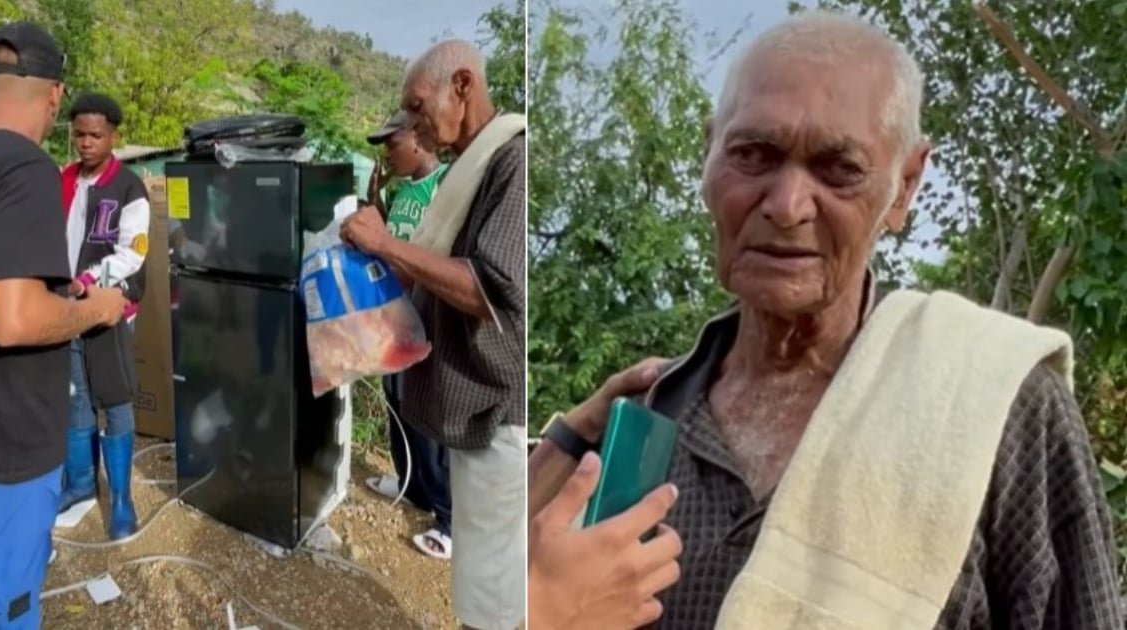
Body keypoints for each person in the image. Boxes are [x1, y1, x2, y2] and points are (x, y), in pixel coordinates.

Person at [526, 13, 1123, 630]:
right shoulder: (654, 413)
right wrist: (570, 439)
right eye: (753, 155)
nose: (786, 207)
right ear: (708, 156)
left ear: (904, 186)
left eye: (839, 169)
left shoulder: (995, 411)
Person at [0, 22, 129, 629]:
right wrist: (96, 308)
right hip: (5, 451)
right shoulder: (29, 169)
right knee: (1, 608)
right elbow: (13, 321)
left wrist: (48, 289)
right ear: (55, 97)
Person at [340, 40, 526, 630]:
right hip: (467, 413)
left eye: (418, 106)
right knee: (477, 579)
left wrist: (385, 245)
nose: (414, 123)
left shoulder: (512, 162)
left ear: (463, 86)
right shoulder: (469, 167)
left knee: (493, 598)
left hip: (496, 415)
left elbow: (492, 294)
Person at [56, 92, 151, 542]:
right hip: (65, 307)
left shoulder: (129, 186)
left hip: (108, 307)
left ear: (114, 136)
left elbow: (132, 253)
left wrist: (86, 282)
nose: (86, 143)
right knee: (74, 399)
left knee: (113, 401)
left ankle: (122, 500)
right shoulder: (64, 179)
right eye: (79, 134)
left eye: (96, 135)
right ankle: (78, 485)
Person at [361, 109, 455, 560]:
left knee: (429, 419)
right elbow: (391, 240)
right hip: (395, 319)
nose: (386, 152)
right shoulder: (401, 191)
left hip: (427, 323)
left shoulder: (447, 188)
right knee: (397, 406)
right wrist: (376, 199)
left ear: (417, 139)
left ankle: (449, 519)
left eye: (391, 143)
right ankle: (411, 485)